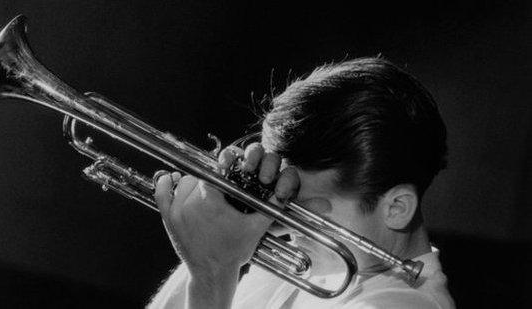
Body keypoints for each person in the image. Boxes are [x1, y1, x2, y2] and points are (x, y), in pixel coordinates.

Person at [148, 57, 455, 308]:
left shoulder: (404, 305)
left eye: (308, 211)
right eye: (284, 199)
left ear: (397, 208)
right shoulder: (310, 265)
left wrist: (212, 271)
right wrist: (217, 223)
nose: (291, 226)